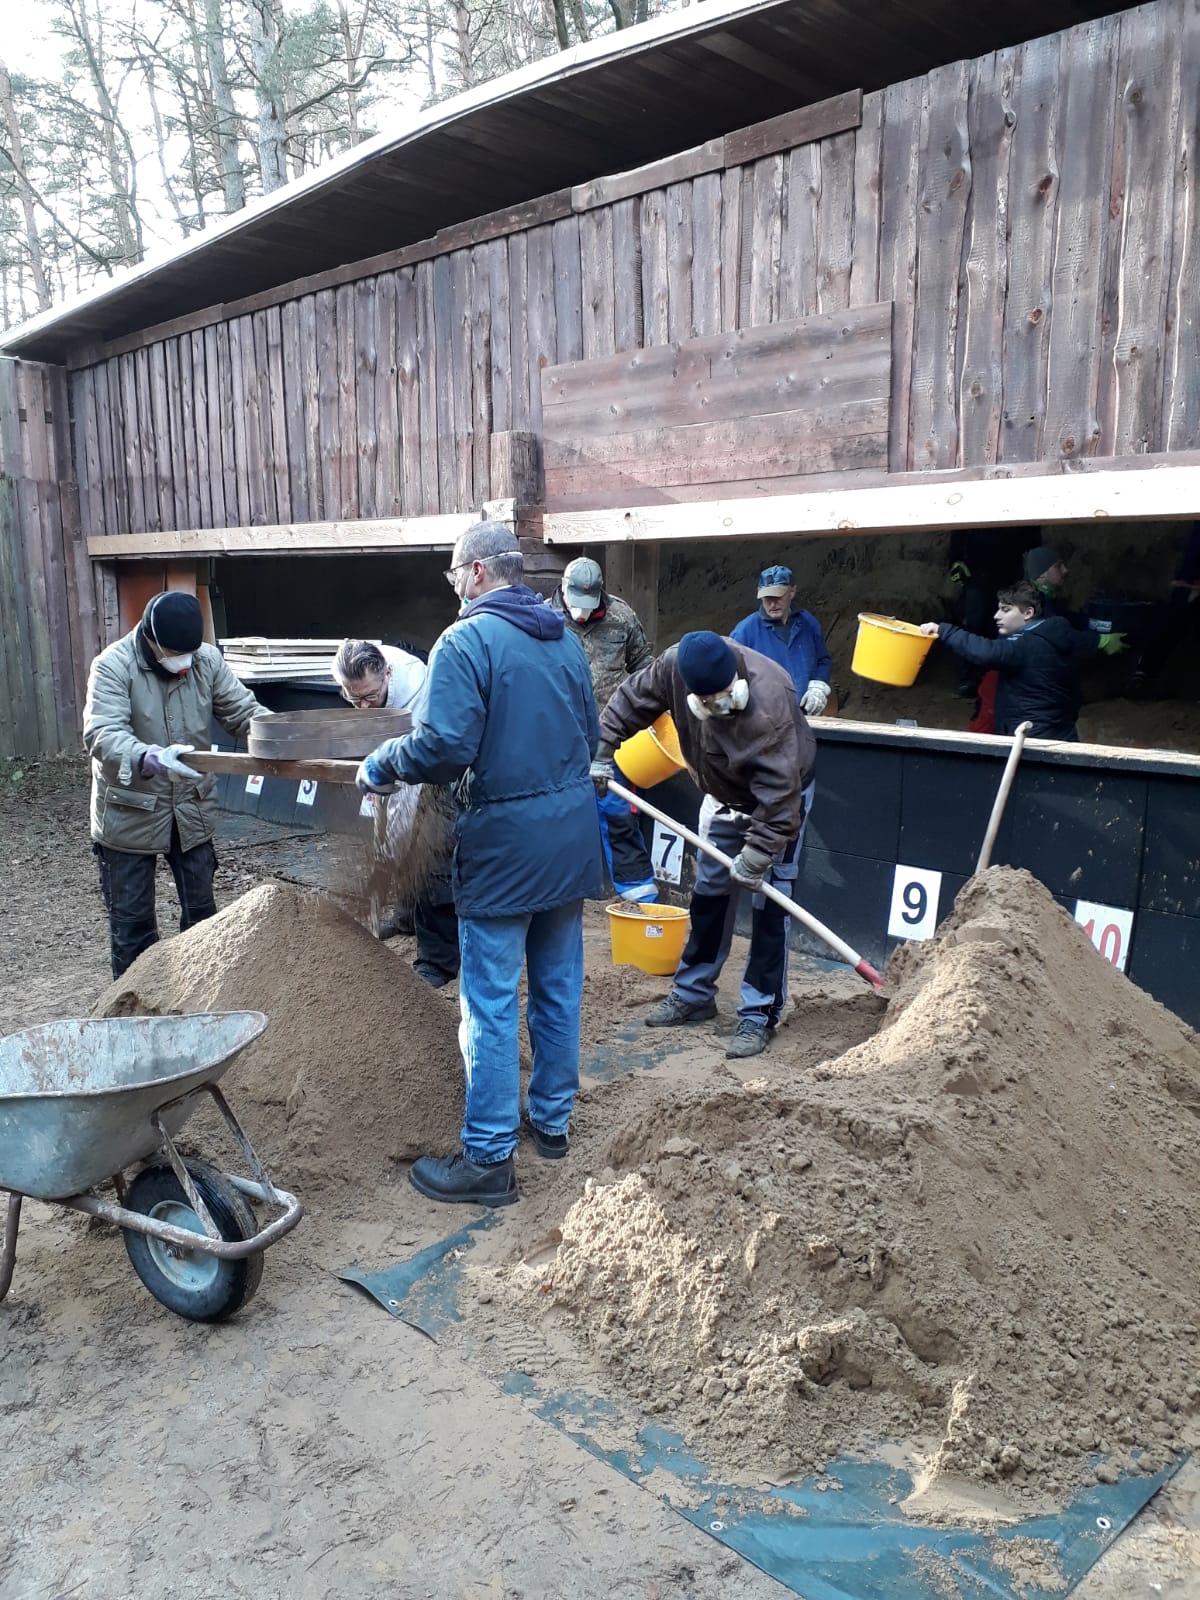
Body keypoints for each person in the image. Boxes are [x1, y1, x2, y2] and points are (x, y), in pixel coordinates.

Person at [356, 523, 604, 1207]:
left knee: (489, 1003)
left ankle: (489, 1156)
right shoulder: (564, 640)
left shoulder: (464, 642)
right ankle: (551, 1123)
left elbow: (442, 747)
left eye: (454, 575)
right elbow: (590, 733)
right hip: (570, 837)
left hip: (506, 845)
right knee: (558, 985)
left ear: (476, 573)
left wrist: (382, 763)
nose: (454, 586)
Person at [592, 630, 815, 1060]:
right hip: (720, 793)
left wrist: (759, 851)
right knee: (710, 894)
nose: (724, 701)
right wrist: (604, 748)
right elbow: (630, 700)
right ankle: (695, 993)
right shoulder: (674, 667)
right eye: (711, 698)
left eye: (729, 692)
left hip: (779, 802)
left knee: (771, 904)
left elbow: (781, 797)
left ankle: (759, 1013)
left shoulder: (770, 700)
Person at [83, 591, 265, 979]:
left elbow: (243, 713)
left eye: (190, 655)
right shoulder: (113, 666)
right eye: (175, 655)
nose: (184, 665)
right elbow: (102, 733)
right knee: (133, 928)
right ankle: (134, 1014)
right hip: (130, 811)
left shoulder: (205, 660)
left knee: (203, 919)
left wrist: (283, 733)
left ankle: (200, 1001)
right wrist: (147, 756)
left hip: (190, 807)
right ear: (150, 638)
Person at [333, 638, 460, 987]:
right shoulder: (358, 677)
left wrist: (385, 862)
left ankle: (438, 960)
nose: (362, 705)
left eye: (370, 697)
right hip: (395, 762)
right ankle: (406, 917)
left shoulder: (419, 695)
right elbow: (380, 782)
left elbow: (407, 789)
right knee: (395, 838)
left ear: (387, 674)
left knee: (430, 854)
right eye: (353, 698)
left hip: (436, 772)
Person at [549, 556, 658, 903]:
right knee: (557, 817)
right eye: (574, 604)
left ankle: (638, 895)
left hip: (610, 738)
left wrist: (647, 716)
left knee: (618, 812)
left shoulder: (621, 616)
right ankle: (560, 894)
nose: (580, 613)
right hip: (558, 736)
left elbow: (645, 668)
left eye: (588, 604)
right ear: (563, 589)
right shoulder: (543, 619)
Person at [919, 581, 1124, 741]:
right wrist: (1103, 640)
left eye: (1006, 610)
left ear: (1028, 613)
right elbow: (1085, 641)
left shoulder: (1026, 646)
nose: (996, 616)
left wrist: (944, 630)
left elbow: (985, 652)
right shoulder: (1057, 633)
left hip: (1031, 742)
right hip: (1061, 734)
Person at [730, 564, 832, 715]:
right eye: (767, 599)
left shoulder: (807, 624)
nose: (772, 604)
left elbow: (823, 661)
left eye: (778, 597)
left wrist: (817, 687)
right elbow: (731, 675)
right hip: (766, 721)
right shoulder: (745, 632)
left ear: (792, 592)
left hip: (805, 716)